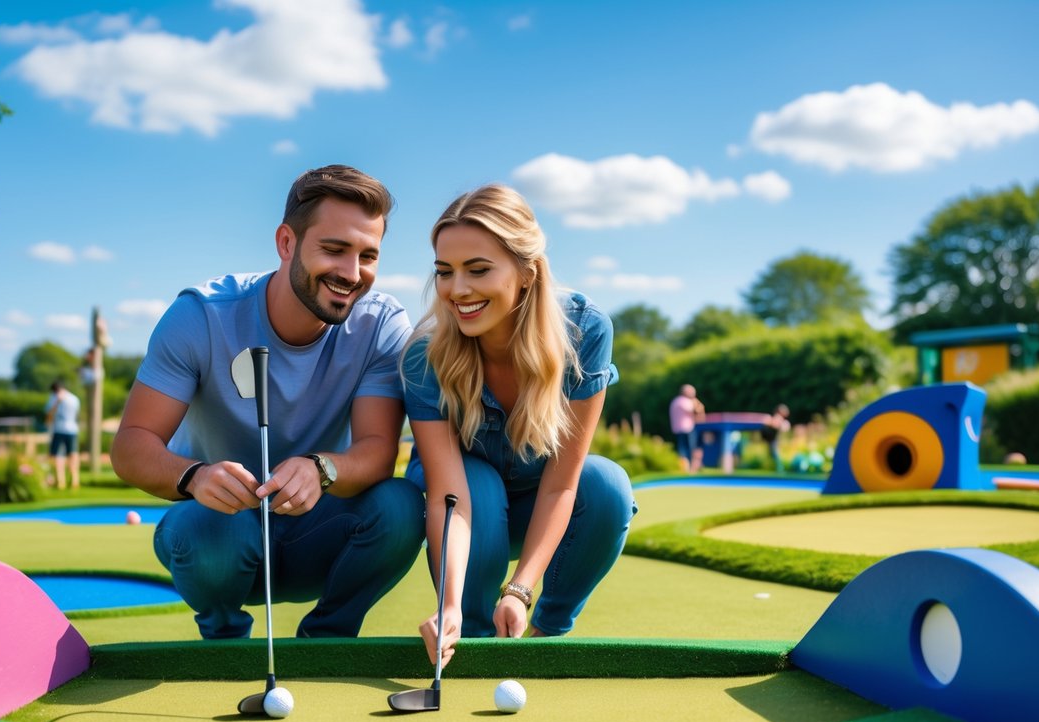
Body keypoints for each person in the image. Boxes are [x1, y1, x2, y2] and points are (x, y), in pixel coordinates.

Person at [111, 165, 424, 640]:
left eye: (367, 255)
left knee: (402, 506)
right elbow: (131, 446)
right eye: (334, 249)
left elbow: (379, 450)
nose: (351, 273)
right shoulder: (198, 317)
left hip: (319, 532)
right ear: (286, 243)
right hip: (219, 533)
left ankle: (327, 640)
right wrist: (195, 477)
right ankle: (227, 641)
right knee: (205, 533)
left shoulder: (382, 326)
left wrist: (322, 468)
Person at [402, 184, 636, 668]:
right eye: (445, 272)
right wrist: (448, 603)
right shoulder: (425, 356)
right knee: (479, 483)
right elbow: (452, 496)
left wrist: (521, 591)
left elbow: (560, 486)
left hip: (537, 499)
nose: (457, 290)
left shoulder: (585, 330)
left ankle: (543, 639)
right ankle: (470, 632)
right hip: (463, 506)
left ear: (527, 273)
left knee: (607, 484)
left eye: (479, 269)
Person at [45, 380, 82, 489]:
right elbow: (49, 416)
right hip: (59, 430)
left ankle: (74, 480)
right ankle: (61, 481)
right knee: (56, 456)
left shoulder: (72, 399)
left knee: (72, 455)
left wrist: (57, 402)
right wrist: (57, 402)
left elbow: (48, 417)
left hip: (69, 430)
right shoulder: (56, 398)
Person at [669, 384, 705, 473]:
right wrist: (697, 402)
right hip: (687, 429)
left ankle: (685, 469)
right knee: (690, 450)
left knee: (682, 450)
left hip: (678, 429)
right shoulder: (685, 401)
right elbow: (698, 411)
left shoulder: (675, 401)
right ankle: (691, 470)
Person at [762, 403, 791, 471]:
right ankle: (777, 468)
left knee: (775, 454)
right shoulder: (775, 418)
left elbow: (783, 427)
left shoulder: (779, 419)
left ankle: (779, 468)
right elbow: (771, 423)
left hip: (774, 440)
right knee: (773, 454)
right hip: (771, 439)